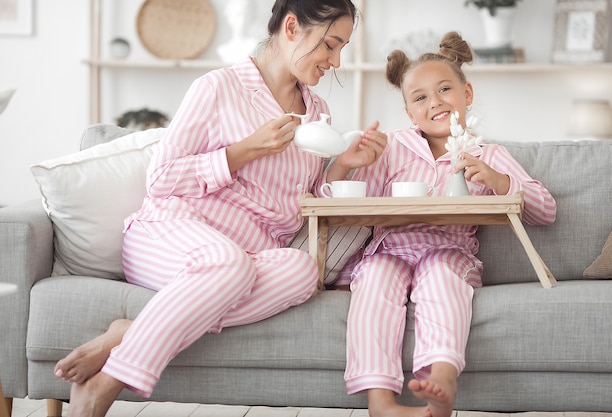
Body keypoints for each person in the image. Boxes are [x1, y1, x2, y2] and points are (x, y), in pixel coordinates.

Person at [53, 1, 387, 416]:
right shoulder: (218, 87)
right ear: (291, 28)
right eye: (330, 45)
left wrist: (343, 165)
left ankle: (131, 332)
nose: (335, 61)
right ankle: (108, 382)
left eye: (342, 49)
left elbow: (304, 203)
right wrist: (244, 151)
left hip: (251, 258)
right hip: (173, 234)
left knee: (303, 270)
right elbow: (161, 179)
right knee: (227, 264)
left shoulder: (318, 112)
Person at [333, 32, 557, 417]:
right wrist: (353, 164)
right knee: (373, 283)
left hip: (449, 250)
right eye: (420, 97)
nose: (434, 102)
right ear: (408, 112)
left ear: (467, 94)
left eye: (444, 90)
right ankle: (381, 403)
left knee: (442, 281)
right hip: (390, 249)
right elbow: (353, 203)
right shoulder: (392, 147)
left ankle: (443, 382)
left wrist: (499, 181)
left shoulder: (487, 154)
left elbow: (546, 210)